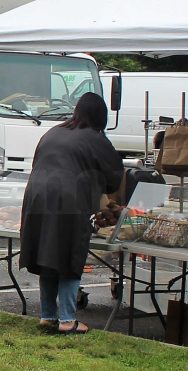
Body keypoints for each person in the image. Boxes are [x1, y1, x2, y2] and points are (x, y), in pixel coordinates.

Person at [18, 92, 123, 334]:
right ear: (101, 117)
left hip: (36, 196)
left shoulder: (54, 132)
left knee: (48, 254)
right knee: (68, 256)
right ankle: (66, 320)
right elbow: (114, 178)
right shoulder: (95, 139)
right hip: (68, 199)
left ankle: (47, 315)